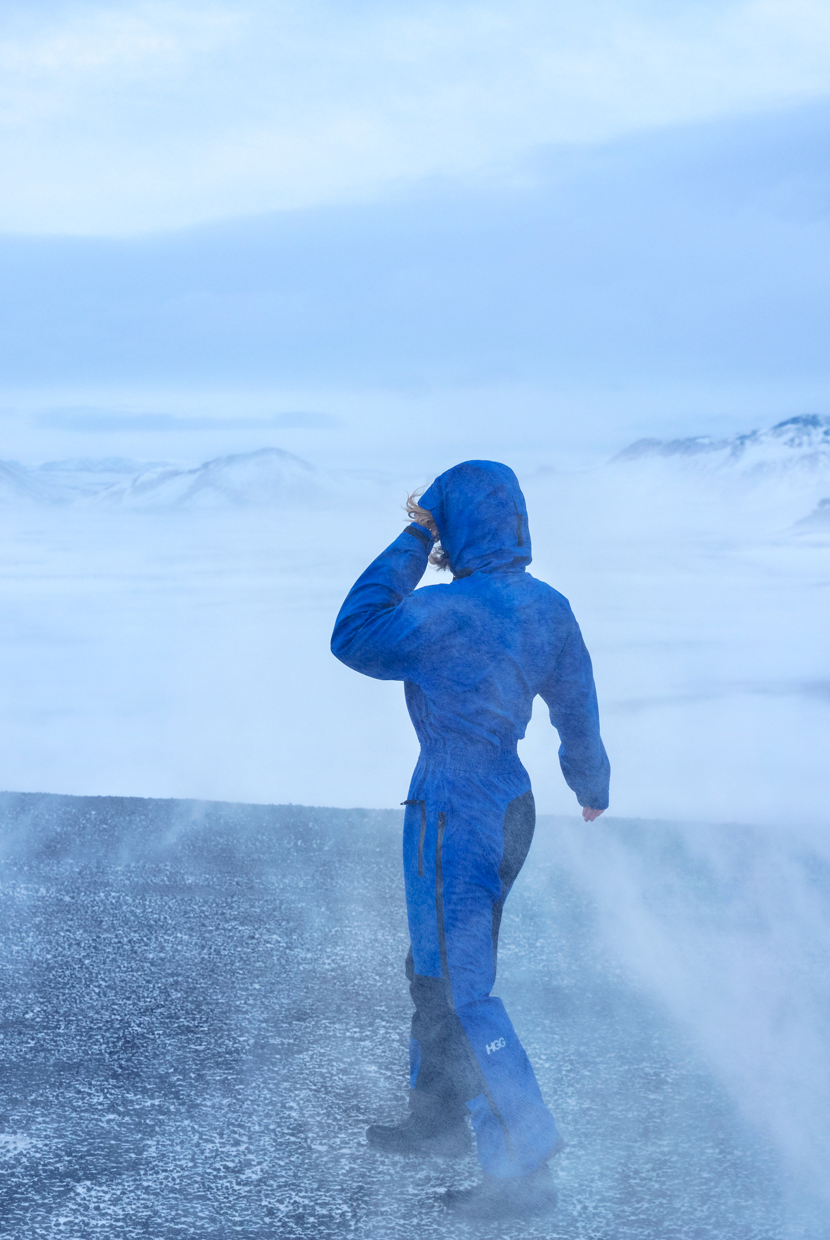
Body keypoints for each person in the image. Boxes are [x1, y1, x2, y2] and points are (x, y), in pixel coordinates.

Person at [330, 459, 611, 1220]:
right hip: (504, 802)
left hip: (455, 808)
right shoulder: (548, 608)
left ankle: (523, 1164)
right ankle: (438, 1115)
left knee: (462, 984)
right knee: (436, 966)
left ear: (453, 524)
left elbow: (351, 632)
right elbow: (576, 706)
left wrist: (414, 538)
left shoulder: (442, 612)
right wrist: (591, 785)